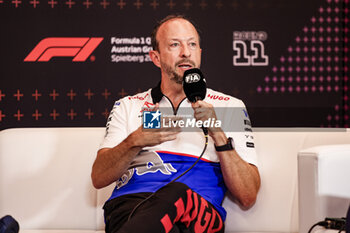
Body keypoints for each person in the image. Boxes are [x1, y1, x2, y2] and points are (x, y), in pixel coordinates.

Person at [91, 15, 260, 233]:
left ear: (200, 53)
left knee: (176, 192)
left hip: (199, 214)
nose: (185, 52)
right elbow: (98, 177)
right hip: (132, 207)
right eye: (174, 45)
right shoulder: (128, 106)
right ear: (156, 57)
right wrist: (136, 140)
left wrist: (217, 133)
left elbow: (248, 195)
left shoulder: (230, 106)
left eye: (192, 44)